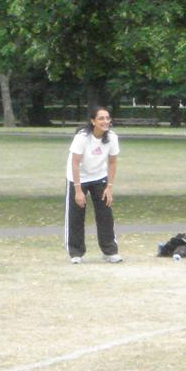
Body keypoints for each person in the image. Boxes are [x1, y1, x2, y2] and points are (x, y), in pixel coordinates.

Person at [65, 106, 122, 264]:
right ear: (93, 121)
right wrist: (78, 190)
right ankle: (76, 252)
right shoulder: (82, 137)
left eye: (107, 118)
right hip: (78, 177)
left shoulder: (112, 137)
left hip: (99, 176)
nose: (105, 121)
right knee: (76, 214)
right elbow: (74, 163)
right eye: (101, 118)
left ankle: (109, 251)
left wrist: (109, 187)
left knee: (105, 213)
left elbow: (112, 163)